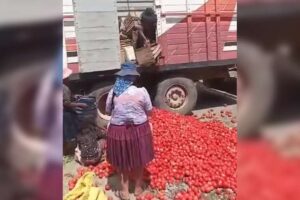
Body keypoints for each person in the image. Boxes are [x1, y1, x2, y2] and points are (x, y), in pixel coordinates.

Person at [105, 62, 154, 199]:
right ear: (134, 77)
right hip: (139, 129)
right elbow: (150, 112)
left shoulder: (113, 91)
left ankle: (124, 191)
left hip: (118, 131)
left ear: (121, 77)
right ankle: (138, 188)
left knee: (122, 160)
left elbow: (108, 110)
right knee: (138, 159)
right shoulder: (142, 92)